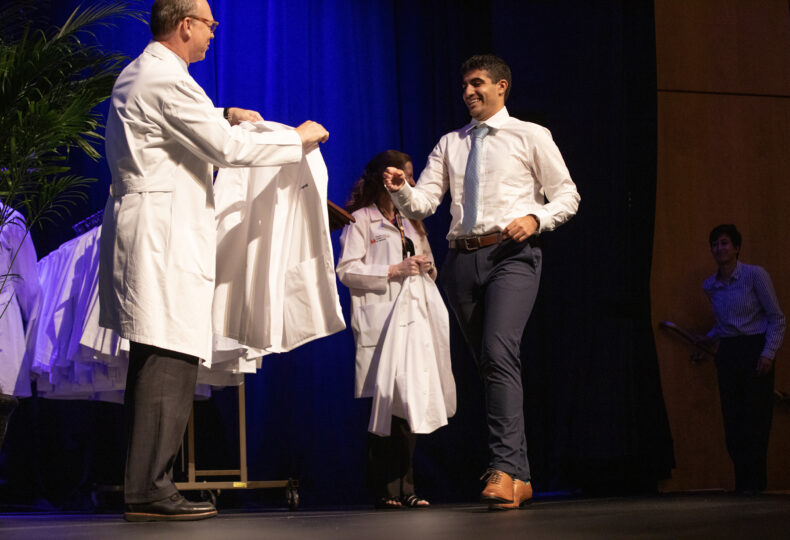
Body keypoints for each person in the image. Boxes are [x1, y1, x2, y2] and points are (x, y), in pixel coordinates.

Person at [98, 0, 329, 522]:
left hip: (157, 227)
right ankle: (149, 489)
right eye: (209, 25)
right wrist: (297, 138)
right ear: (185, 25)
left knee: (161, 354)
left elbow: (187, 129)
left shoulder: (148, 74)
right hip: (162, 234)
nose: (213, 34)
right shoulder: (165, 78)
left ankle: (147, 484)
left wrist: (222, 114)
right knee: (168, 354)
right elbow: (225, 149)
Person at [383, 54, 580, 510]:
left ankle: (504, 468)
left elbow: (568, 194)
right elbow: (425, 203)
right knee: (492, 367)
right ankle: (520, 475)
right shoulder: (451, 143)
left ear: (501, 86)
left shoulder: (531, 135)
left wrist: (536, 216)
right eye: (465, 86)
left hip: (512, 255)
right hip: (462, 263)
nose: (469, 92)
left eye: (477, 84)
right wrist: (400, 190)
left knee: (498, 353)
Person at [337, 150, 456, 509]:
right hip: (382, 322)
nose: (413, 182)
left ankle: (409, 487)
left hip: (415, 321)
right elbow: (347, 271)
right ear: (385, 180)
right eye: (406, 175)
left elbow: (430, 264)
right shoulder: (361, 220)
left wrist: (426, 269)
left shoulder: (412, 219)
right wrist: (393, 270)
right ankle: (387, 491)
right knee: (386, 407)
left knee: (410, 404)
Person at [702, 224, 785, 494]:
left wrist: (768, 353)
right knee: (733, 420)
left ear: (737, 247)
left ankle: (756, 489)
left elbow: (776, 317)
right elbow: (725, 324)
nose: (719, 248)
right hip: (729, 353)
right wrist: (709, 337)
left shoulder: (754, 276)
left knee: (755, 421)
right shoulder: (710, 285)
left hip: (755, 350)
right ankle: (742, 487)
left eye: (725, 243)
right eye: (715, 244)